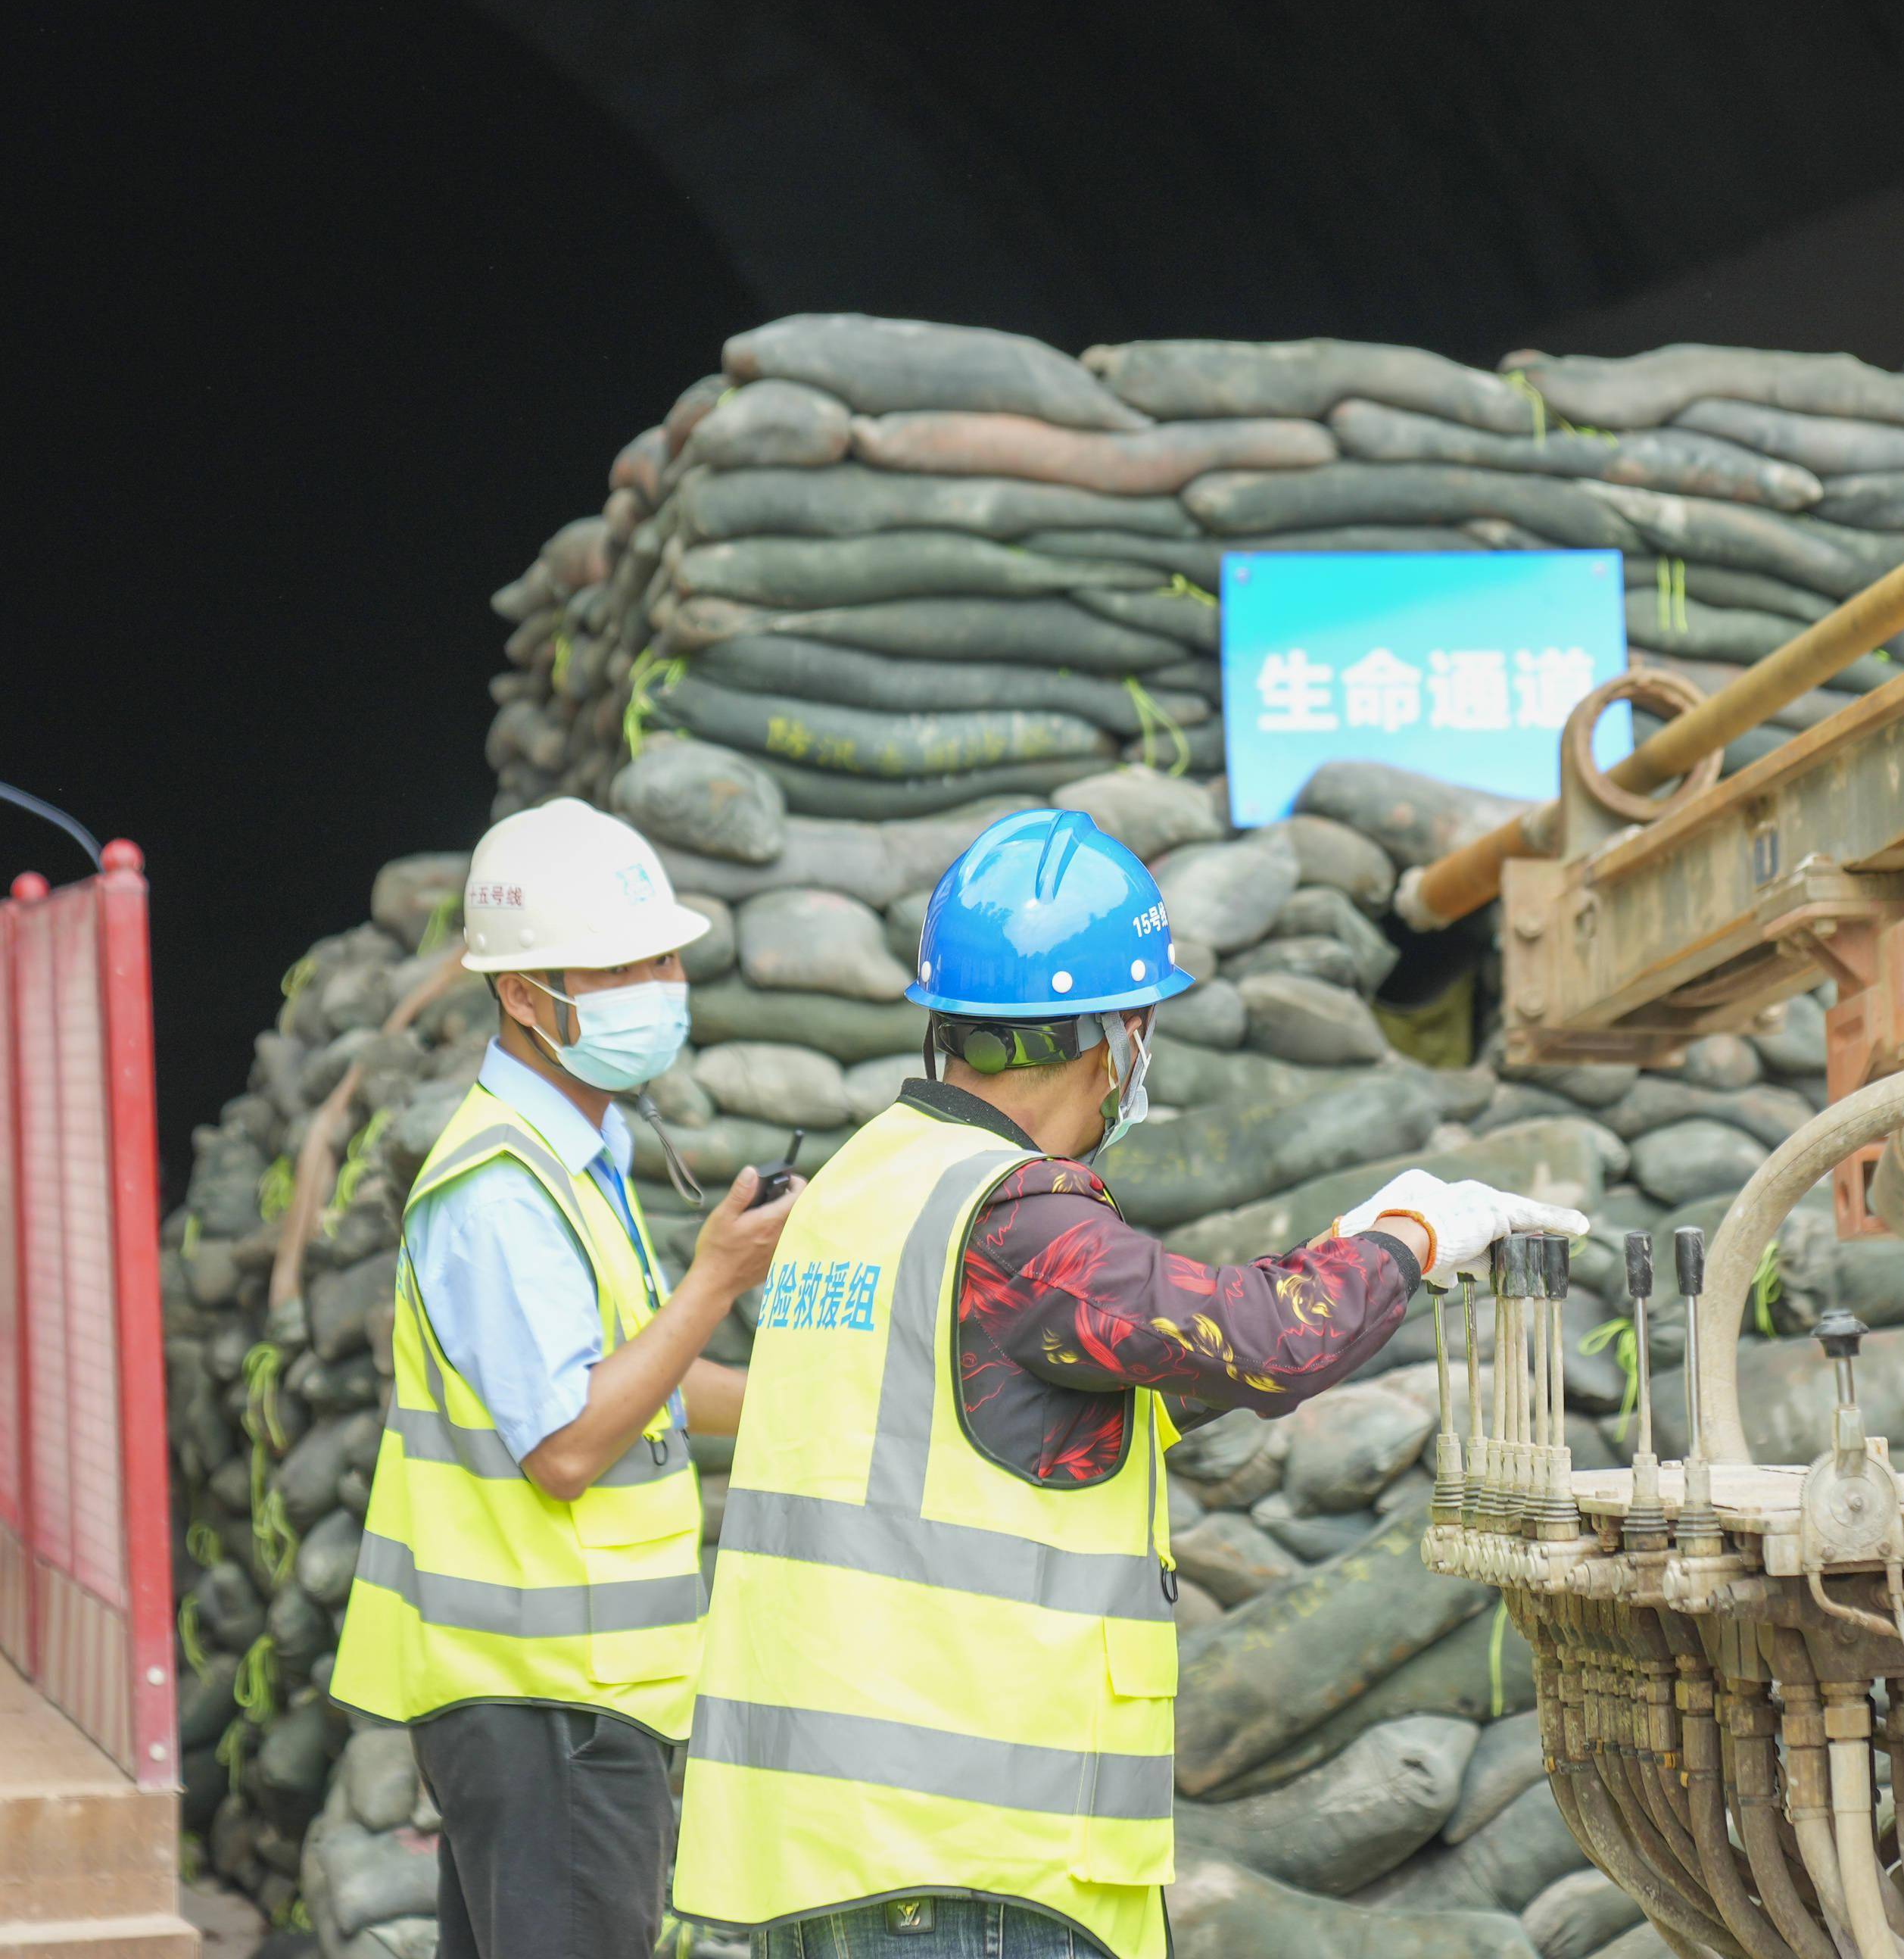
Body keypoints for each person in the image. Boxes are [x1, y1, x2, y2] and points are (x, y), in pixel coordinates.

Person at [674, 806, 1581, 1959]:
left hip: (840, 1846)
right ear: (1112, 1037)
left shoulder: (870, 1184)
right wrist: (1404, 1241)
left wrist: (1343, 1254)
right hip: (965, 1859)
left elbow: (1034, 1405)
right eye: (1144, 1024)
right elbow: (1264, 1339)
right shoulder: (1013, 1216)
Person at [330, 797, 795, 1959]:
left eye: (664, 958)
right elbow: (571, 1444)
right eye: (620, 966)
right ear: (524, 998)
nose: (659, 985)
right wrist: (717, 1280)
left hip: (572, 1699)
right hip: (542, 1703)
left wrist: (825, 1401)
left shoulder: (574, 1163)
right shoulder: (497, 1189)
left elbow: (647, 1390)